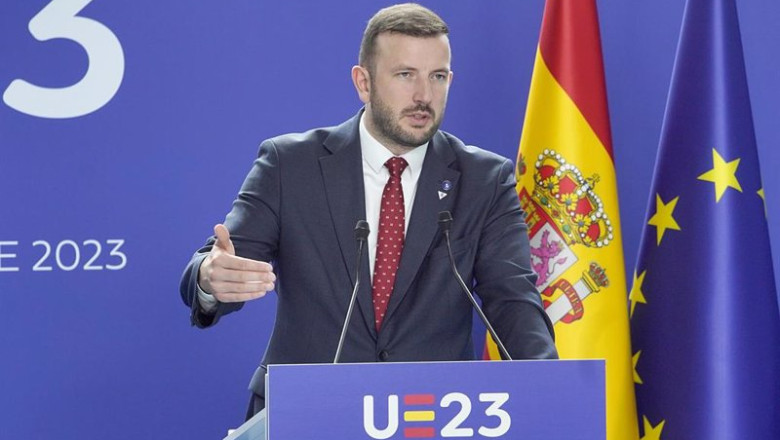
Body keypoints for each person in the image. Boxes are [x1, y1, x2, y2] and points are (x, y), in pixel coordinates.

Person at [180, 3, 557, 418]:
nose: (424, 96)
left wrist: (551, 391)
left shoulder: (484, 179)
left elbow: (513, 300)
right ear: (364, 82)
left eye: (437, 76)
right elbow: (225, 262)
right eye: (405, 75)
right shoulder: (290, 165)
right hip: (307, 409)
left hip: (431, 414)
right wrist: (210, 279)